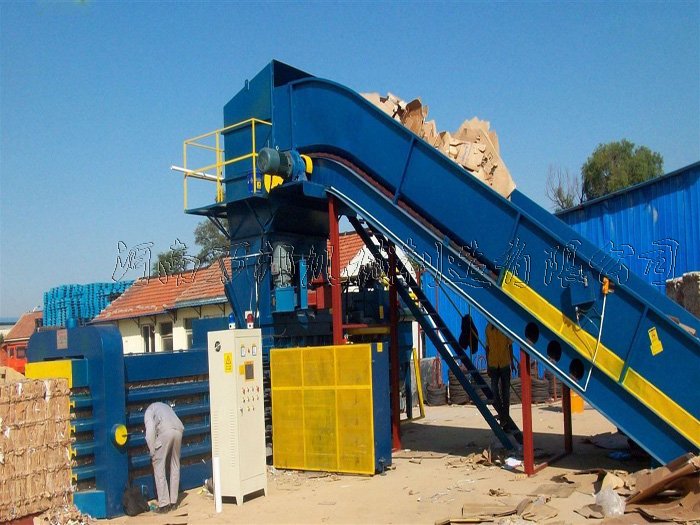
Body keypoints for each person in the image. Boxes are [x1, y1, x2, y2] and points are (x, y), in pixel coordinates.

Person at [144, 402, 184, 513]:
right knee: (175, 464)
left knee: (158, 465)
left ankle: (164, 504)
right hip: (179, 429)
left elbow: (150, 431)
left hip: (165, 430)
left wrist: (152, 450)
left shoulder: (148, 411)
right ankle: (174, 502)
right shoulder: (165, 406)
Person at [485, 322, 514, 430]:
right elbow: (487, 348)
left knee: (506, 394)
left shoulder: (504, 328)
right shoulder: (488, 329)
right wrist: (488, 365)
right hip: (493, 364)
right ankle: (503, 416)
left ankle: (505, 421)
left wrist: (512, 363)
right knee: (494, 391)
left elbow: (510, 346)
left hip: (504, 364)